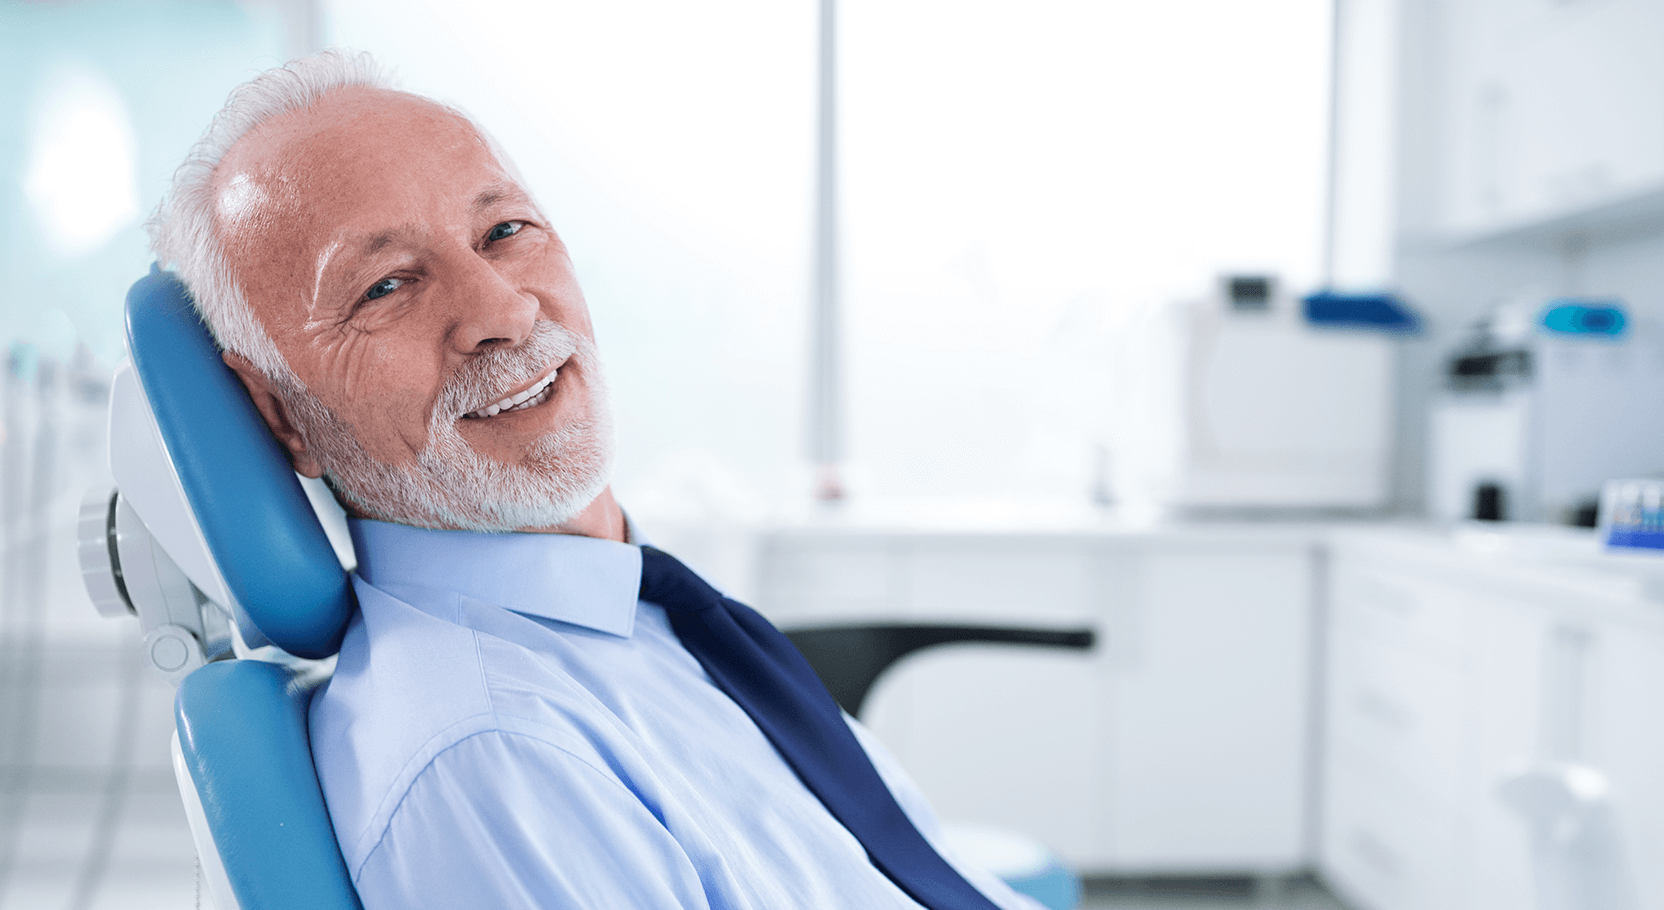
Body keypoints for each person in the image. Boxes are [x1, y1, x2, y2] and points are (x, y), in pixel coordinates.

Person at [146, 50, 1038, 910]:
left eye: (504, 232)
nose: (503, 310)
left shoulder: (640, 615)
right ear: (282, 414)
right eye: (384, 287)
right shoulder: (497, 758)